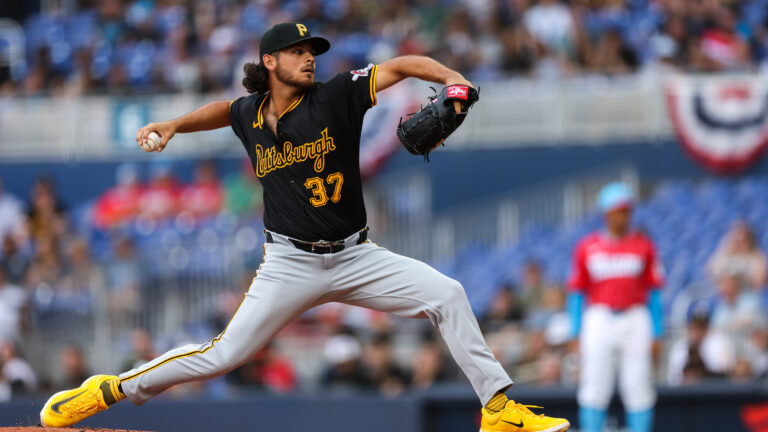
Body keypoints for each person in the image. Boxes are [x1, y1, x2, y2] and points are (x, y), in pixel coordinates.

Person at [40, 22, 569, 432]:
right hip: (288, 263)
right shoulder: (249, 112)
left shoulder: (337, 94)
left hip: (357, 256)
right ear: (270, 61)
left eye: (312, 51)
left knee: (448, 294)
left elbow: (402, 65)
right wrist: (175, 125)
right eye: (297, 52)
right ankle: (112, 388)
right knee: (223, 354)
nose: (309, 57)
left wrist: (451, 79)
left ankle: (499, 409)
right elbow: (222, 111)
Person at [567, 182, 664, 432]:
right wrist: (575, 331)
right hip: (599, 318)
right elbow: (577, 292)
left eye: (627, 210)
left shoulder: (644, 246)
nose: (625, 216)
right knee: (594, 388)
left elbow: (654, 292)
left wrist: (657, 331)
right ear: (606, 213)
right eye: (620, 210)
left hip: (635, 317)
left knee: (639, 388)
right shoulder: (587, 247)